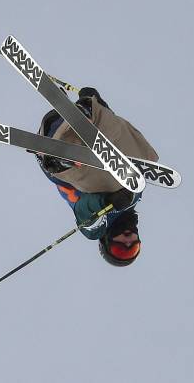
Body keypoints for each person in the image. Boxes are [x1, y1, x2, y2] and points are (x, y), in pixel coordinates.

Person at [36, 87, 159, 266]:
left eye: (121, 249)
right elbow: (117, 153)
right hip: (90, 129)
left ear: (107, 242)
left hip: (63, 170)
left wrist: (107, 201)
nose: (128, 242)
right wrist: (102, 107)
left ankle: (64, 158)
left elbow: (84, 211)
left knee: (116, 182)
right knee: (145, 161)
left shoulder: (96, 230)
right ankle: (93, 114)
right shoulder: (135, 197)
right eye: (133, 247)